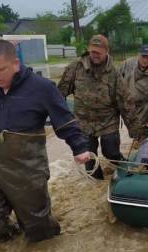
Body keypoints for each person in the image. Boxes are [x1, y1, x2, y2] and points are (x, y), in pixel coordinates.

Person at [0, 39, 90, 243]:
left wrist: (79, 148)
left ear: (15, 63)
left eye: (1, 69)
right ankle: (13, 245)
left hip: (27, 170)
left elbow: (64, 120)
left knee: (39, 230)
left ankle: (47, 248)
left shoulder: (42, 88)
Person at [58, 35, 136, 180]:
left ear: (106, 51)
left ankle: (130, 174)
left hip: (108, 122)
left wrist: (135, 130)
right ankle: (97, 186)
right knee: (89, 159)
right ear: (88, 49)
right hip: (83, 123)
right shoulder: (75, 68)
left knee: (111, 153)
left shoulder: (114, 73)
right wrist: (62, 119)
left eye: (98, 52)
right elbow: (59, 94)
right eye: (92, 51)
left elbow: (125, 103)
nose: (94, 55)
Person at [118, 44, 148, 142]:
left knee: (142, 137)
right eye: (143, 56)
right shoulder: (128, 64)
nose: (145, 60)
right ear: (138, 55)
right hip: (127, 107)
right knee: (133, 134)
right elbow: (115, 78)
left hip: (144, 110)